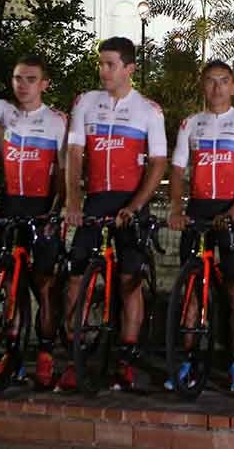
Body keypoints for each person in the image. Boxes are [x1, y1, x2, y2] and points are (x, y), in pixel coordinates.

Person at [0, 21, 68, 389]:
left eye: (30, 79)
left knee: (44, 285)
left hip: (43, 210)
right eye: (18, 78)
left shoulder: (57, 121)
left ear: (44, 84)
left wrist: (57, 211)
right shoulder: (7, 112)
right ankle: (13, 353)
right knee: (12, 284)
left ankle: (46, 353)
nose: (22, 85)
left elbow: (65, 173)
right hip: (11, 207)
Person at [61, 37, 166, 392]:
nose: (103, 70)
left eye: (110, 64)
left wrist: (135, 206)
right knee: (76, 277)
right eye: (100, 63)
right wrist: (73, 201)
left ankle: (126, 359)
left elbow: (158, 163)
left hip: (130, 202)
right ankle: (74, 356)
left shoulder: (148, 110)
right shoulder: (86, 102)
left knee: (128, 280)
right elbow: (74, 153)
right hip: (95, 199)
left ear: (129, 69)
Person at [168, 60, 234, 394]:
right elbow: (177, 170)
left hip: (232, 211)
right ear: (203, 86)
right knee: (192, 289)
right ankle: (187, 361)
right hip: (199, 210)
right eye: (210, 81)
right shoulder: (190, 124)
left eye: (224, 81)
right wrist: (176, 209)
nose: (217, 87)